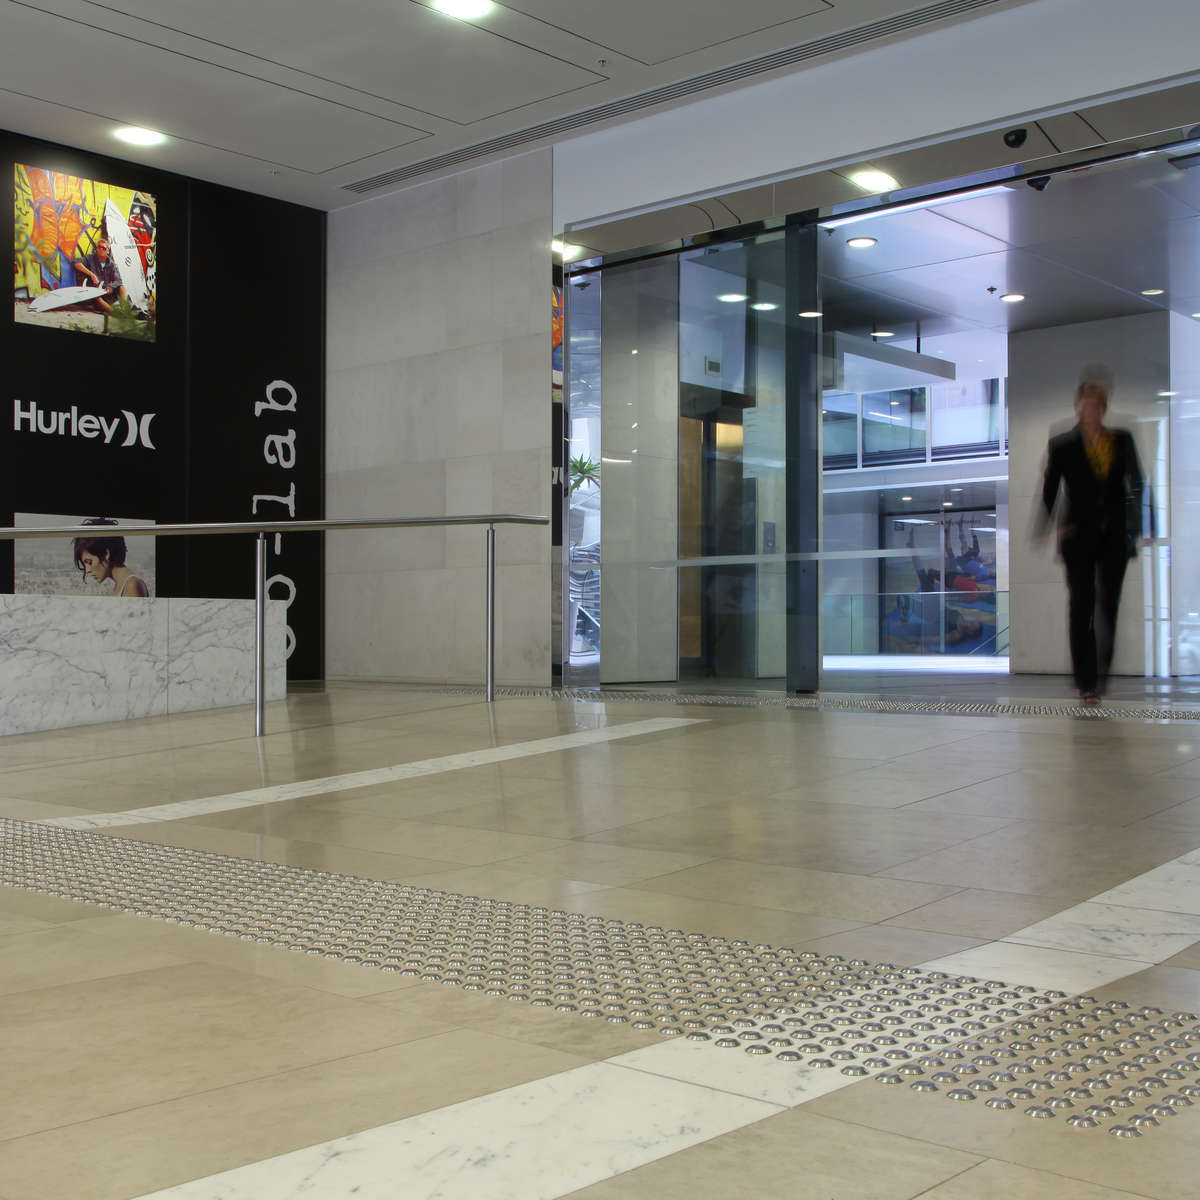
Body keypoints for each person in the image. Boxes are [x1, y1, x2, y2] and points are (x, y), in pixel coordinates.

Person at [1039, 378, 1145, 705]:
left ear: (1103, 408)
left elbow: (1137, 483)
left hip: (1113, 537)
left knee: (1108, 609)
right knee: (1081, 608)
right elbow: (1050, 488)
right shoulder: (1063, 445)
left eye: (1097, 405)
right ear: (1078, 407)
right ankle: (1086, 681)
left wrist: (1138, 525)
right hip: (1078, 537)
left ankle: (1100, 673)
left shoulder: (1121, 440)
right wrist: (1044, 528)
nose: (1091, 411)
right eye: (1086, 404)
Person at [73, 518, 149, 598]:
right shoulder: (122, 584)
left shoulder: (131, 585)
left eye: (90, 562)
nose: (88, 570)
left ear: (106, 554)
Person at [72, 236, 127, 314]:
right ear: (96, 248)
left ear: (108, 251)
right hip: (95, 294)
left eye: (104, 248)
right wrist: (91, 274)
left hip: (107, 292)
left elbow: (119, 280)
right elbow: (76, 263)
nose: (101, 249)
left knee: (122, 287)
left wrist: (110, 287)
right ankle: (115, 313)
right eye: (99, 247)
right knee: (97, 297)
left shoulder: (111, 264)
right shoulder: (90, 258)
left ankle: (125, 310)